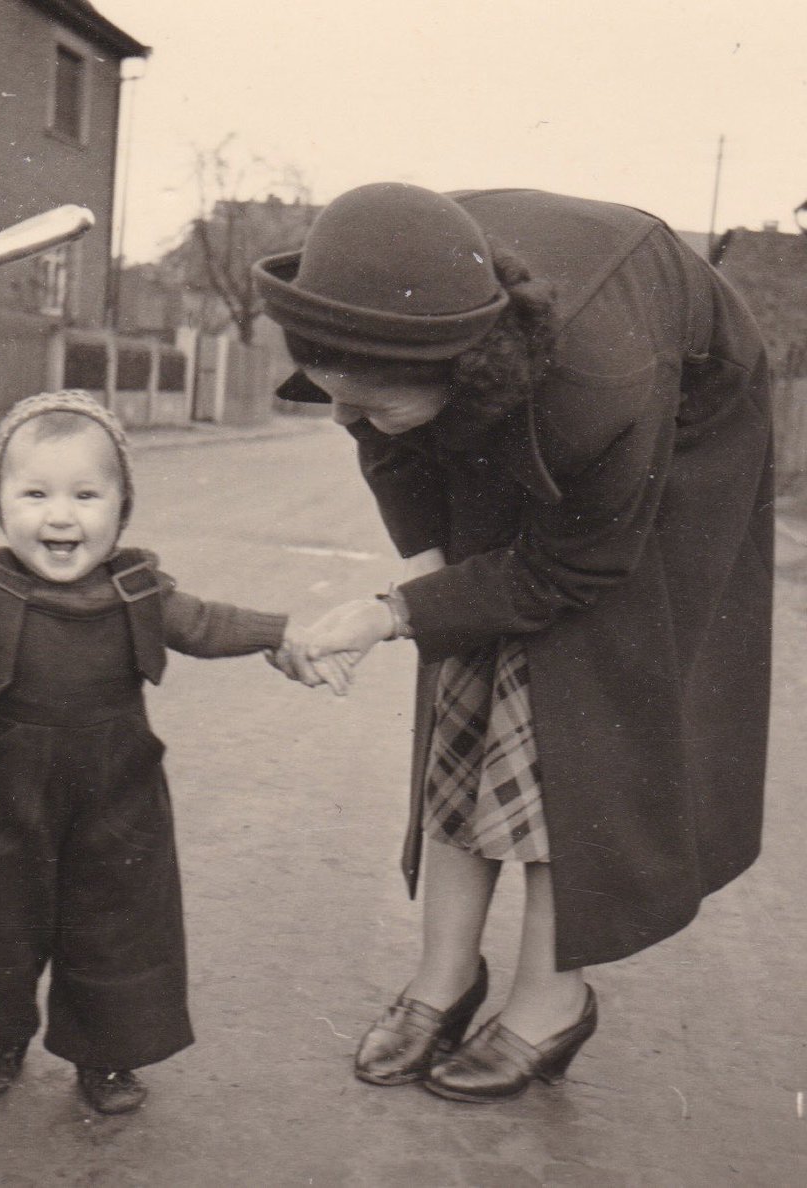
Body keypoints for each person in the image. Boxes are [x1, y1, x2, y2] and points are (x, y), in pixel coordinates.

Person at [254, 182, 773, 1102]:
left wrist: (390, 613)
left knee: (575, 710)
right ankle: (445, 980)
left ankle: (552, 999)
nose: (346, 420)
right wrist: (424, 569)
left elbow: (570, 571)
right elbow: (384, 440)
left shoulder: (601, 385)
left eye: (368, 404)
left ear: (461, 375)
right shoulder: (387, 301)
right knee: (465, 671)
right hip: (513, 377)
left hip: (685, 418)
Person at [0, 391, 344, 1115]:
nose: (60, 515)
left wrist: (279, 632)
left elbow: (206, 623)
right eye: (34, 493)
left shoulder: (138, 587)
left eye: (86, 495)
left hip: (117, 792)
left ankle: (109, 1055)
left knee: (119, 921)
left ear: (121, 509)